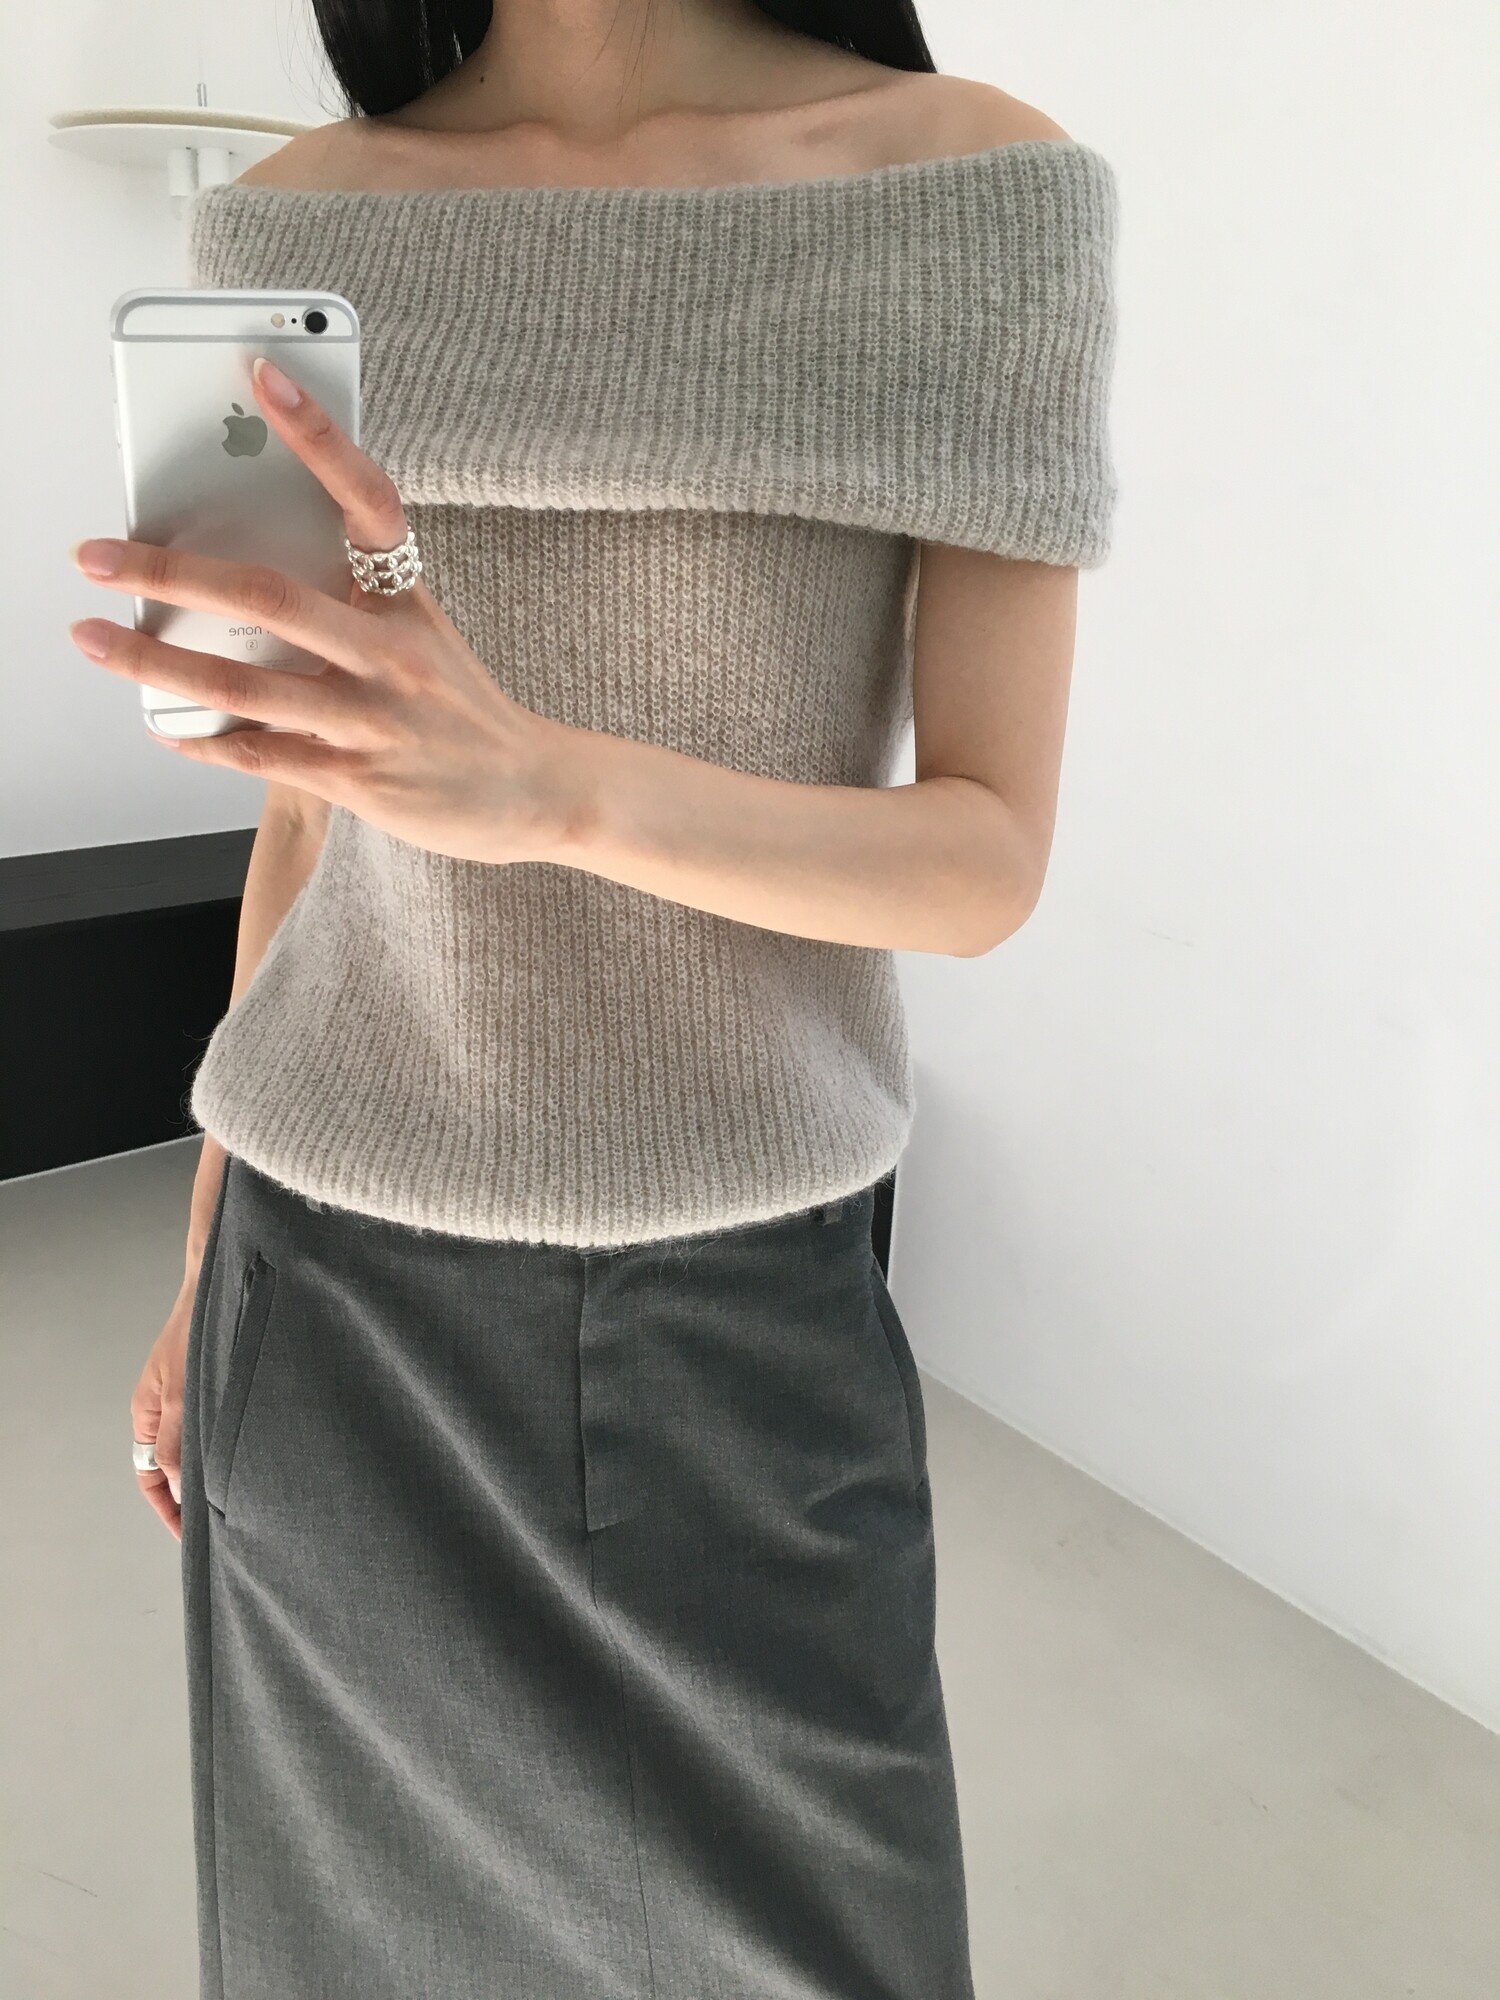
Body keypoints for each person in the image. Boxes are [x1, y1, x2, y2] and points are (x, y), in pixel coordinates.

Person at [82, 1, 1119, 1993]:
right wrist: (205, 1256)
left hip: (737, 1323)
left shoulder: (972, 188)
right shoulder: (290, 221)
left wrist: (548, 785)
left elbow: (983, 857)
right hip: (324, 1303)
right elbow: (309, 807)